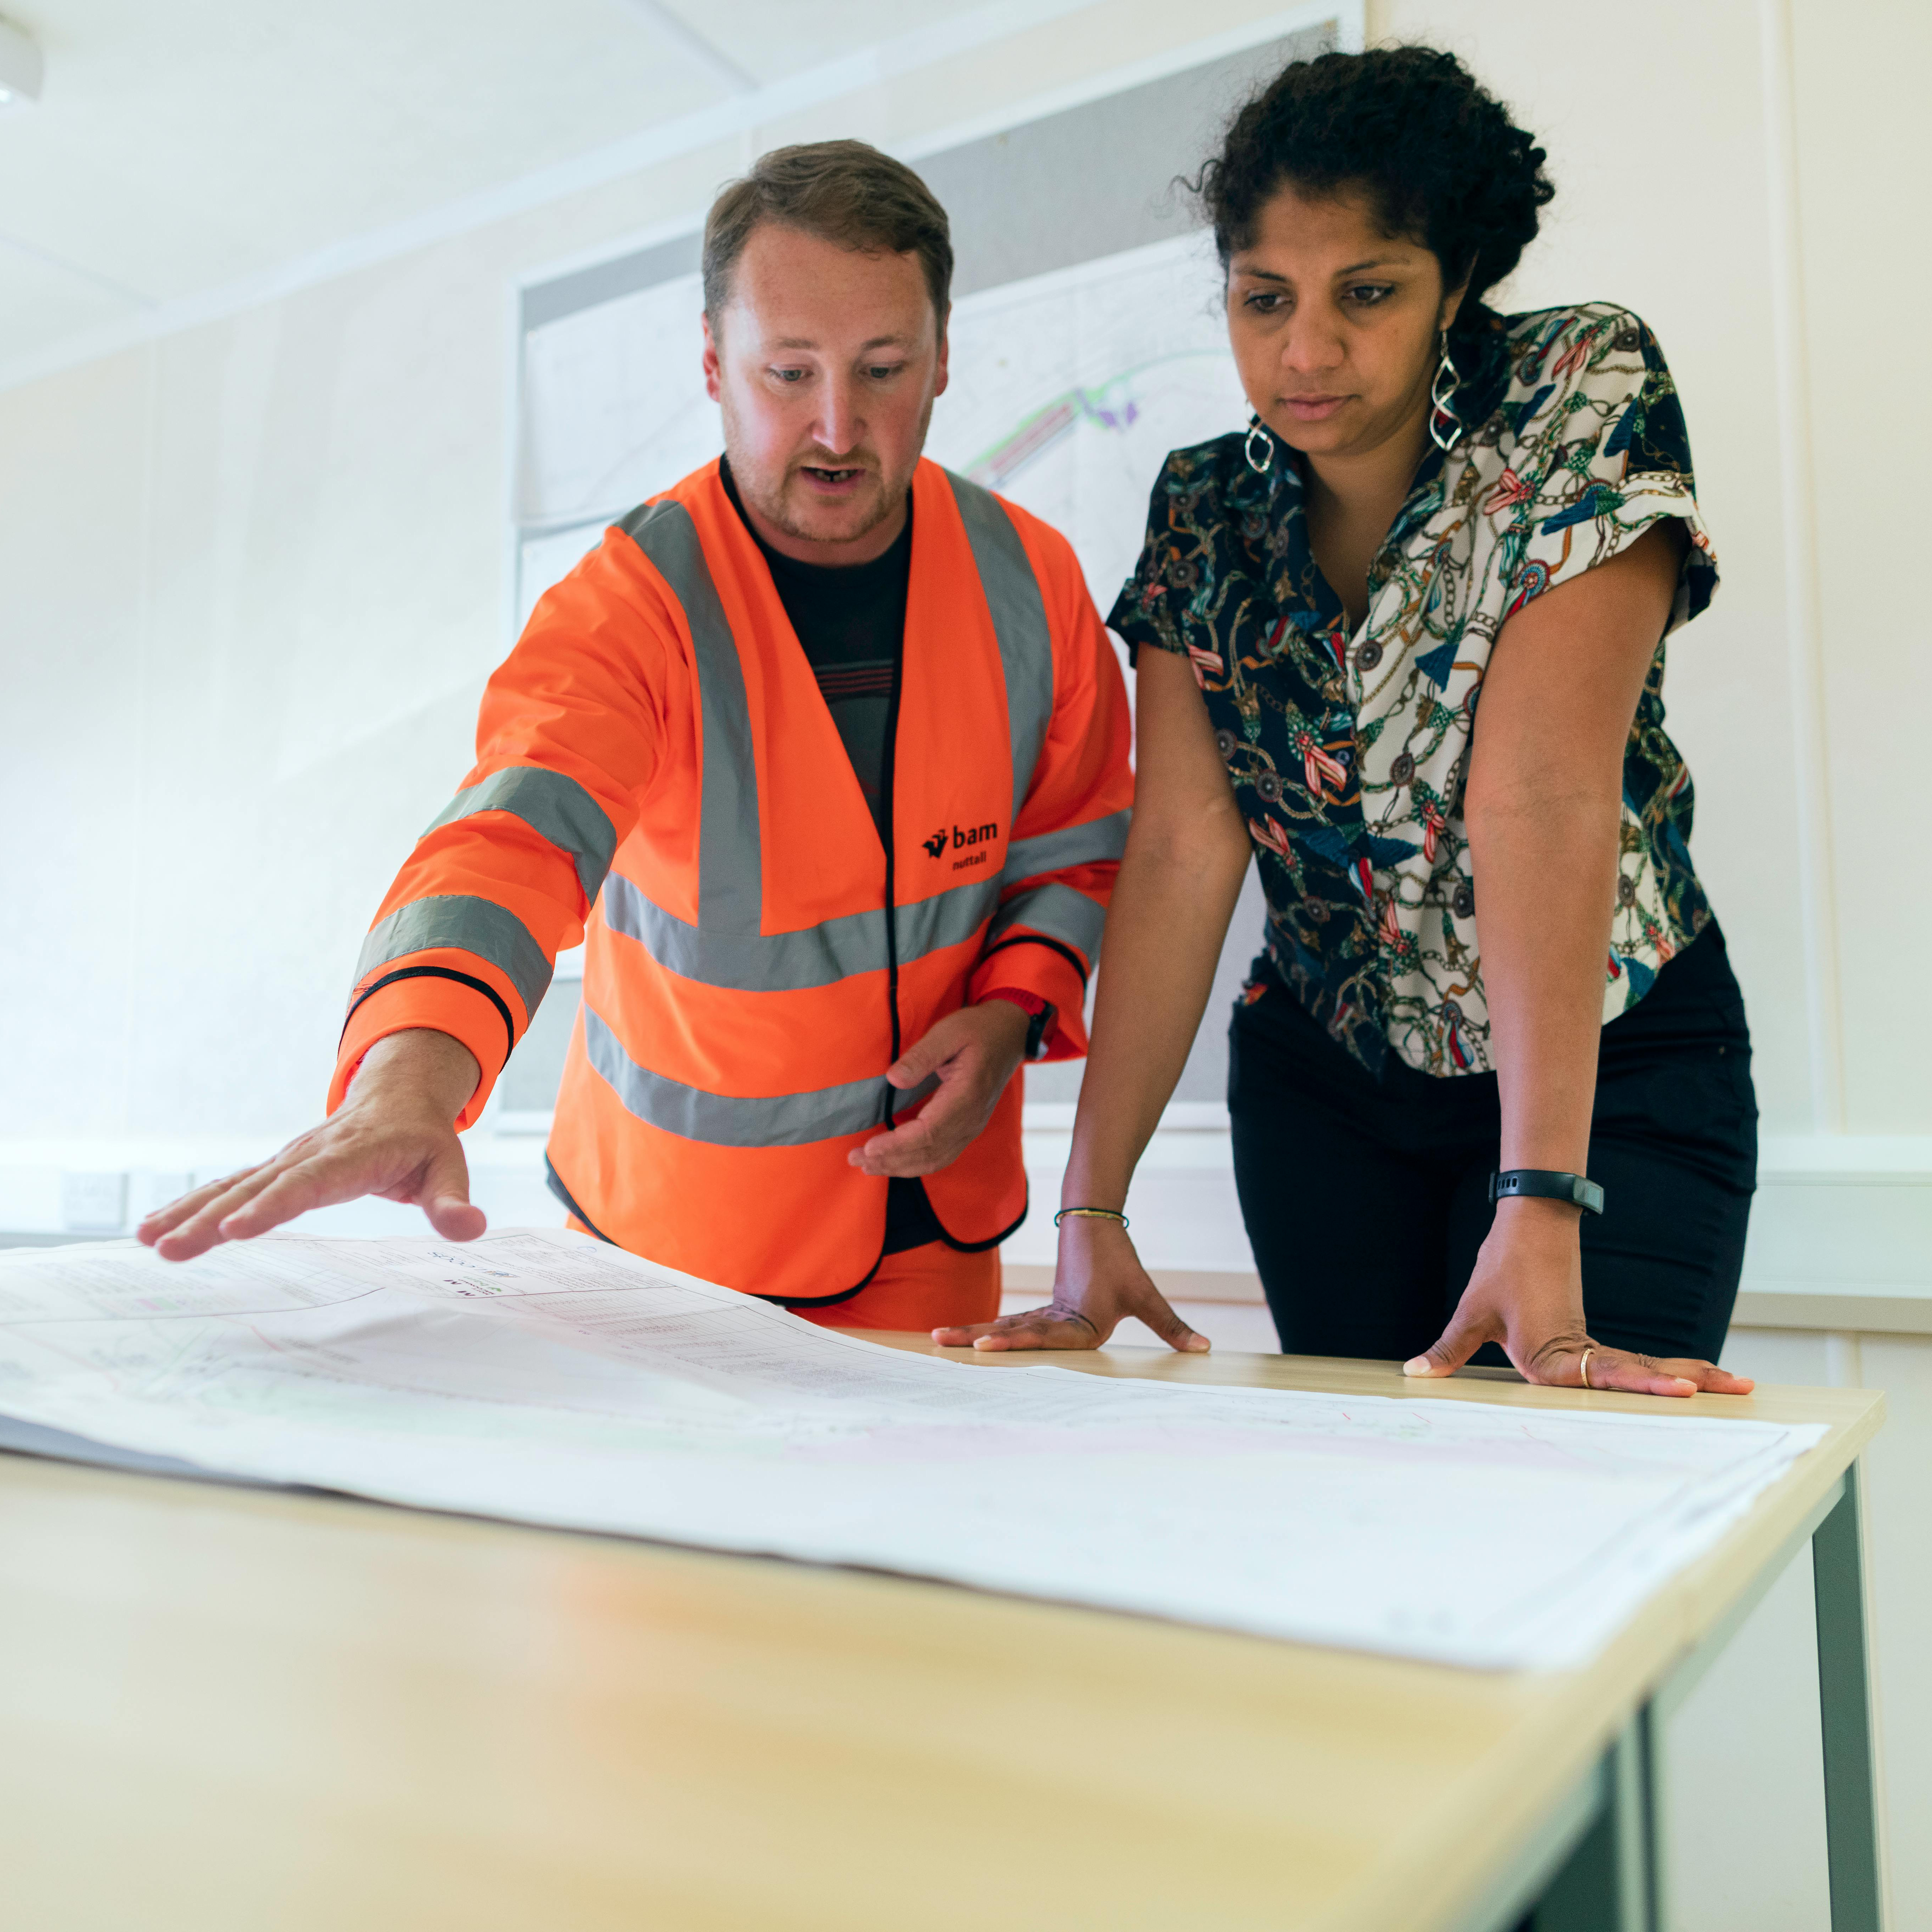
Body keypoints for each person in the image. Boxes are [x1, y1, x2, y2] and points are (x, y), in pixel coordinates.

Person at [139, 140, 1134, 1337]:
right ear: (713, 364)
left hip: (934, 1231)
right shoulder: (629, 606)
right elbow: (511, 841)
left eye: (884, 369)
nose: (837, 425)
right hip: (672, 1252)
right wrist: (407, 1080)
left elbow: (1073, 845)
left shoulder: (1033, 581)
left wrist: (1014, 1010)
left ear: (943, 359)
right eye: (788, 373)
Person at [938, 48, 1759, 1399]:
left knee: (1571, 1481)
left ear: (1456, 282)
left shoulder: (1577, 390)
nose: (1305, 351)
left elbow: (1538, 795)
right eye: (1264, 298)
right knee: (1371, 1500)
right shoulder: (1204, 508)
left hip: (1607, 1073)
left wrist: (1539, 1196)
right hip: (1326, 1091)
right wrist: (1091, 1212)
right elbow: (1183, 851)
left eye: (1367, 293)